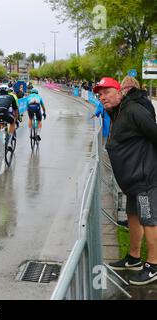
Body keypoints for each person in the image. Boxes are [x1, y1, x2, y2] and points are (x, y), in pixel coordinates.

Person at [93, 77, 157, 285]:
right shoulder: (117, 111)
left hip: (144, 178)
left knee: (149, 220)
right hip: (130, 181)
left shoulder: (133, 110)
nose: (102, 97)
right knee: (132, 215)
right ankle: (134, 257)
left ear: (119, 91)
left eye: (107, 92)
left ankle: (154, 265)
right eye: (99, 94)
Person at [0, 84, 18, 159]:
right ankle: (9, 142)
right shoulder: (11, 96)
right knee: (12, 122)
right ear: (7, 90)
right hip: (4, 113)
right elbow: (15, 109)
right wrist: (16, 118)